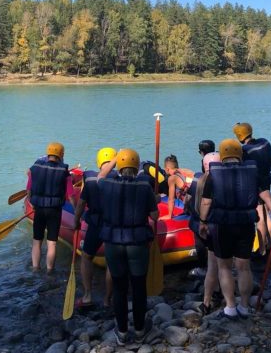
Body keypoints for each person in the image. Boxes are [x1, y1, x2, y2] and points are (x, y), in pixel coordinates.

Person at [98, 149, 159, 345]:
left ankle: (122, 332)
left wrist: (114, 159)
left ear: (119, 166)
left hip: (113, 243)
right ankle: (140, 330)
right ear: (136, 165)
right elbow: (155, 217)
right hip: (137, 244)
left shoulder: (106, 184)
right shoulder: (145, 187)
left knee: (119, 287)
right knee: (139, 286)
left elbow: (100, 175)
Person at [199, 139, 259, 319]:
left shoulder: (213, 175)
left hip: (222, 225)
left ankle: (230, 307)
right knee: (244, 267)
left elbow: (206, 201)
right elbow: (265, 196)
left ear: (222, 156)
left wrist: (202, 222)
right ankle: (244, 306)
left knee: (224, 267)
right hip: (246, 224)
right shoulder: (252, 173)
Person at [73, 147, 116, 308]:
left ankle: (87, 295)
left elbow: (81, 204)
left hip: (96, 225)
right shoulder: (118, 178)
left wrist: (76, 221)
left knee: (86, 257)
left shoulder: (90, 179)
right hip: (112, 226)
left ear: (99, 162)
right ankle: (107, 299)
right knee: (111, 263)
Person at [27, 142, 75, 273]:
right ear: (61, 155)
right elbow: (70, 195)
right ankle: (49, 271)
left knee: (37, 241)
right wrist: (76, 213)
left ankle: (35, 268)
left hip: (39, 209)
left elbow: (29, 189)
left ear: (48, 154)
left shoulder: (35, 168)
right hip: (54, 210)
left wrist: (31, 204)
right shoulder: (64, 172)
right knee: (52, 243)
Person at [233, 123, 271, 255]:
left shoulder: (243, 150)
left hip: (255, 185)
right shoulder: (265, 142)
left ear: (239, 136)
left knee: (260, 218)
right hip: (267, 179)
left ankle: (262, 250)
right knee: (266, 215)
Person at [187, 152, 221, 315]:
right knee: (217, 263)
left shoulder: (197, 180)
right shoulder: (220, 181)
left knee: (209, 261)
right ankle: (218, 291)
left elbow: (189, 201)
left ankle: (208, 297)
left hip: (200, 224)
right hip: (215, 226)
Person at [187, 140, 216, 277]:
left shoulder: (199, 178)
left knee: (199, 240)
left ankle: (203, 267)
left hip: (203, 218)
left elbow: (196, 199)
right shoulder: (222, 175)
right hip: (217, 218)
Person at [161, 154, 189, 220]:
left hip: (193, 206)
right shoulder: (185, 171)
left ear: (167, 169)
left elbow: (171, 199)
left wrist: (169, 215)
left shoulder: (172, 178)